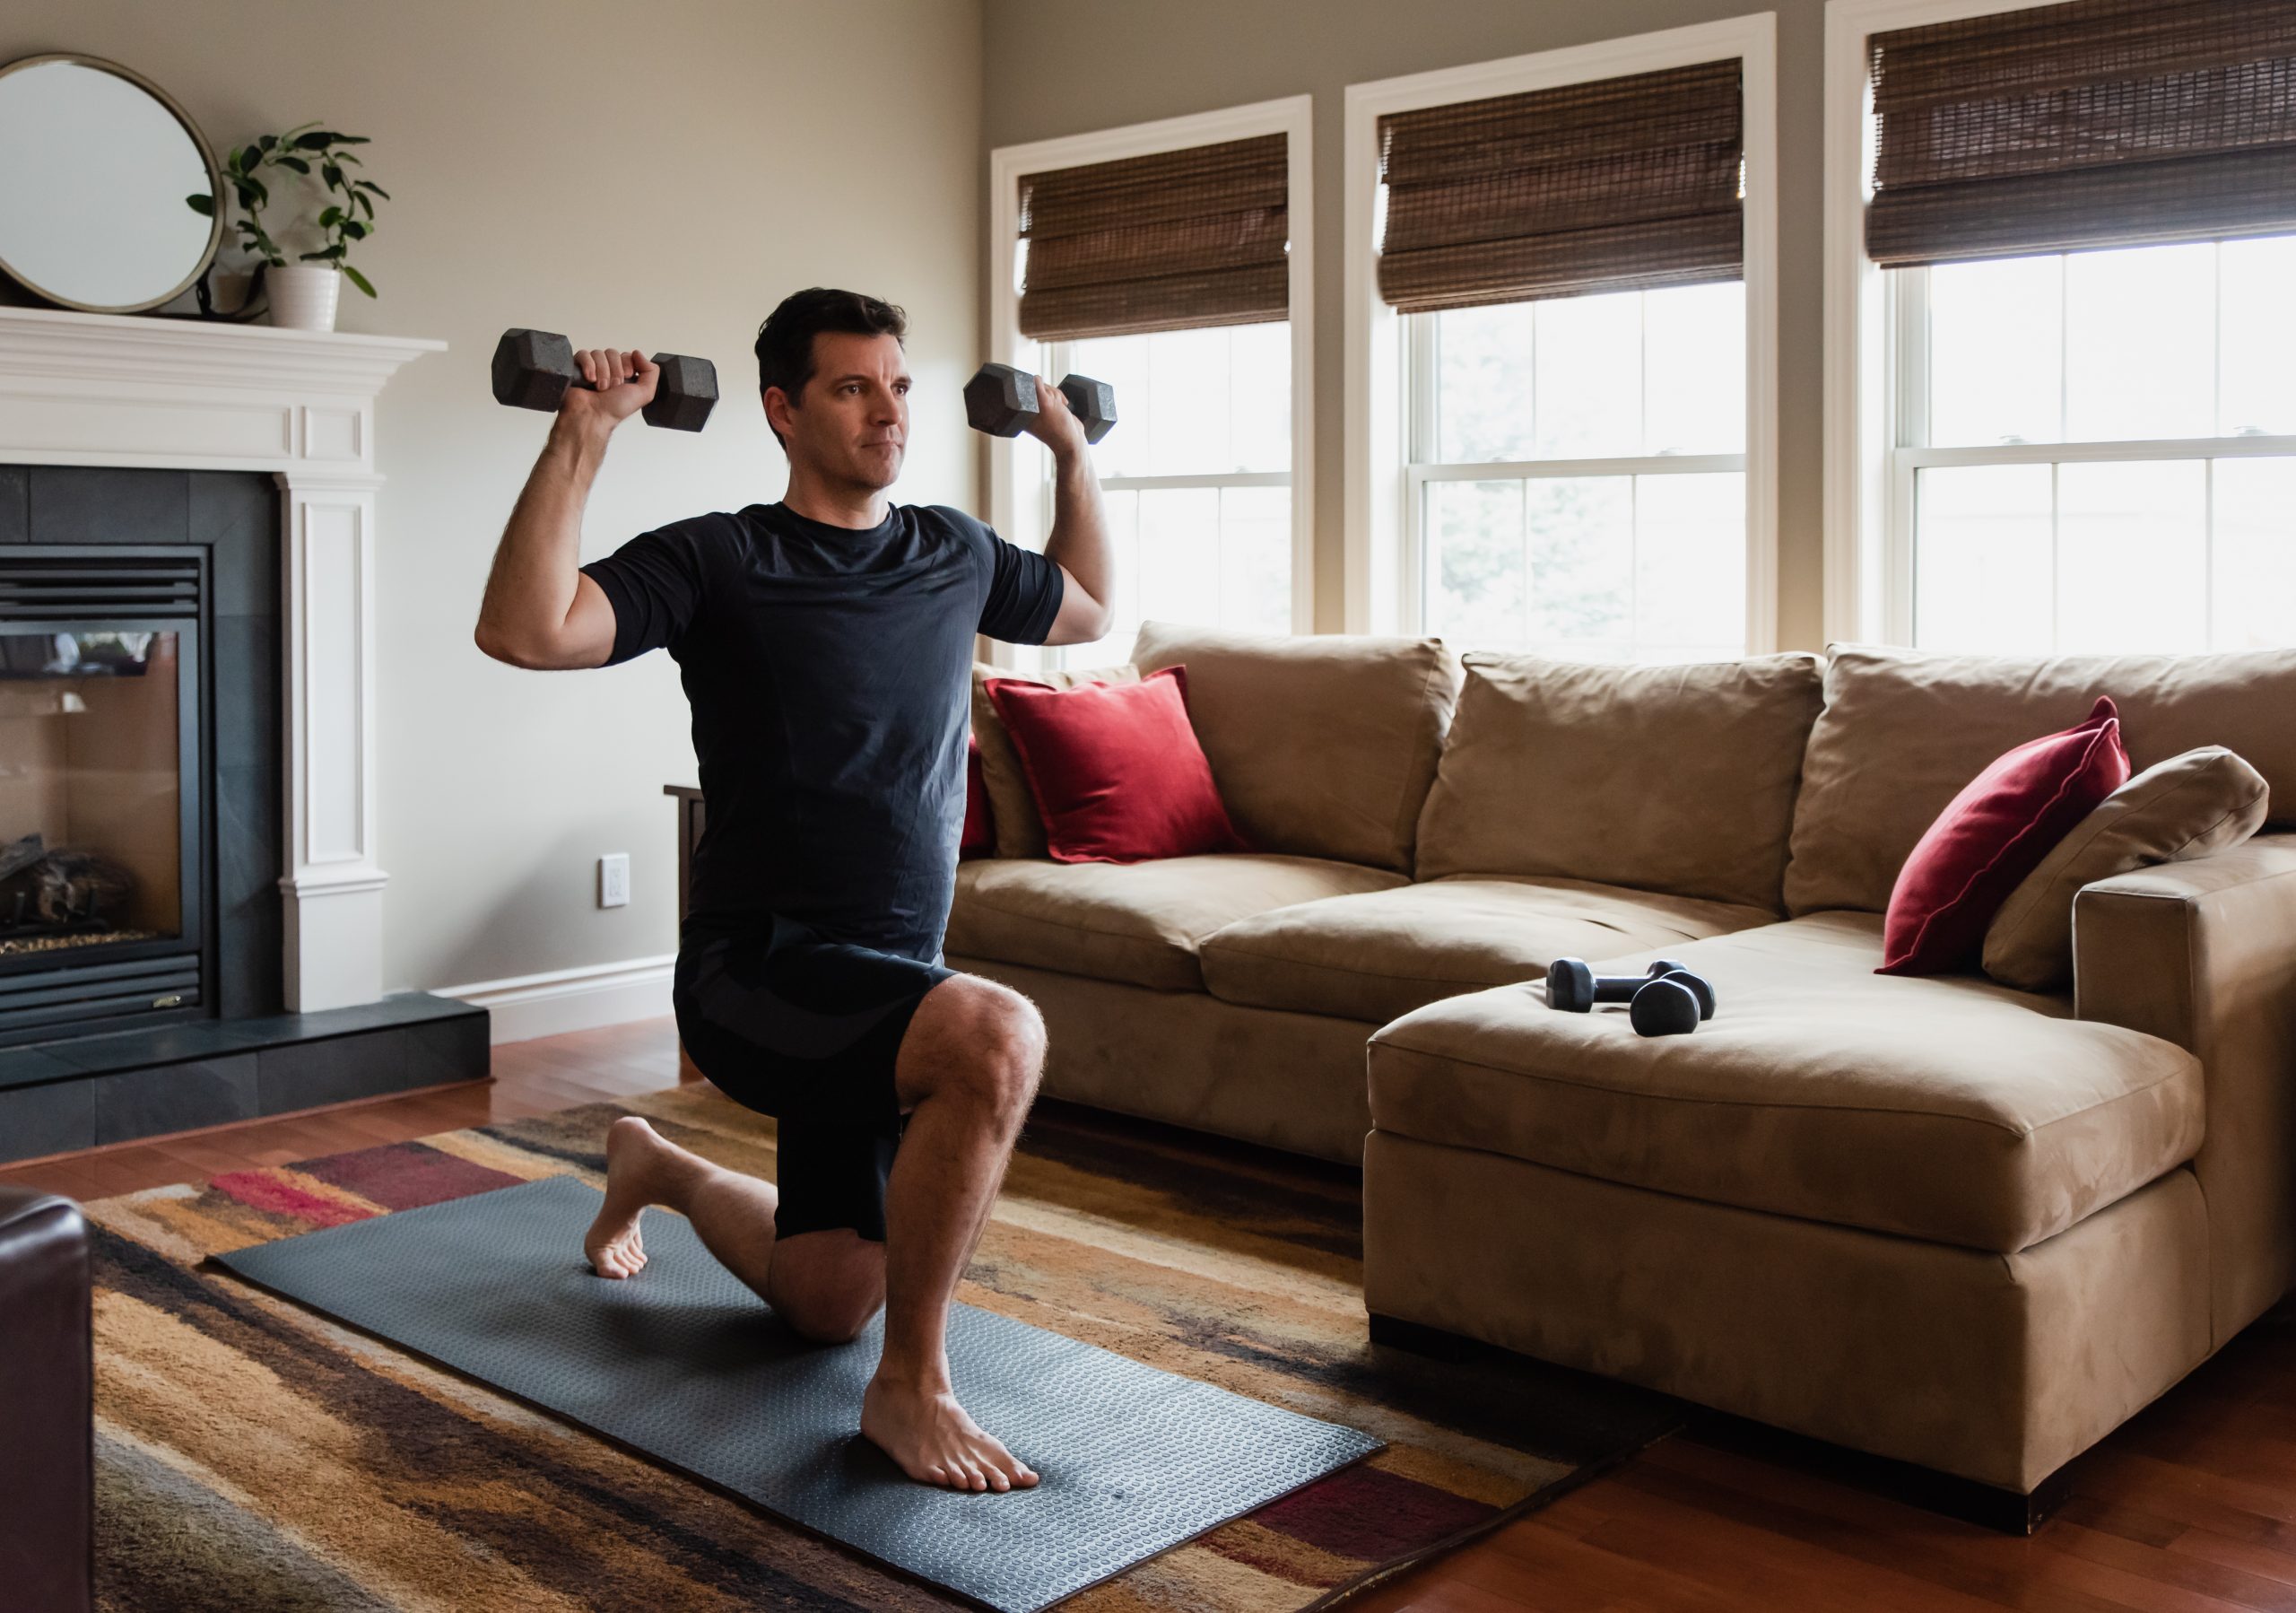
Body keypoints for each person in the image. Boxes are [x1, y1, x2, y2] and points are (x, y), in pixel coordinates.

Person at [472, 286, 1114, 1495]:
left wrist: (1071, 456)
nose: (889, 413)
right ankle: (909, 1386)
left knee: (824, 1301)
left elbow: (1084, 607)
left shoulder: (954, 550)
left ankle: (653, 1163)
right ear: (781, 407)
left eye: (900, 386)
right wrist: (584, 433)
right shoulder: (721, 558)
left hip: (885, 990)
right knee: (1000, 1034)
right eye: (853, 387)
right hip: (755, 975)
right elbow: (526, 628)